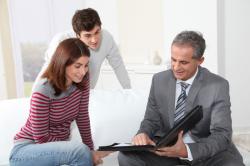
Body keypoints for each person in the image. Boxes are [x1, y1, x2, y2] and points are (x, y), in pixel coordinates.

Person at [118, 31, 245, 166]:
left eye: (183, 62)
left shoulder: (218, 86)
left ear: (200, 60)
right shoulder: (159, 80)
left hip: (203, 151)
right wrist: (142, 133)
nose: (176, 67)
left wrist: (187, 151)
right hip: (168, 151)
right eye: (173, 59)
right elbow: (151, 120)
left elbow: (221, 134)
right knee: (127, 157)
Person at [9, 38, 109, 166]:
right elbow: (41, 138)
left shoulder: (83, 80)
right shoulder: (43, 89)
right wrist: (83, 152)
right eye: (77, 66)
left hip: (58, 150)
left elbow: (82, 116)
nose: (83, 71)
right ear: (63, 63)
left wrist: (90, 151)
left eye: (85, 65)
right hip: (26, 151)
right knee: (79, 151)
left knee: (82, 152)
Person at [34, 8, 131, 90]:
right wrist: (34, 96)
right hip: (62, 93)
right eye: (88, 36)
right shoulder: (61, 41)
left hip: (87, 93)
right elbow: (48, 69)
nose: (94, 40)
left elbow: (118, 65)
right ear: (77, 35)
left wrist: (129, 91)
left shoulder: (107, 38)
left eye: (97, 32)